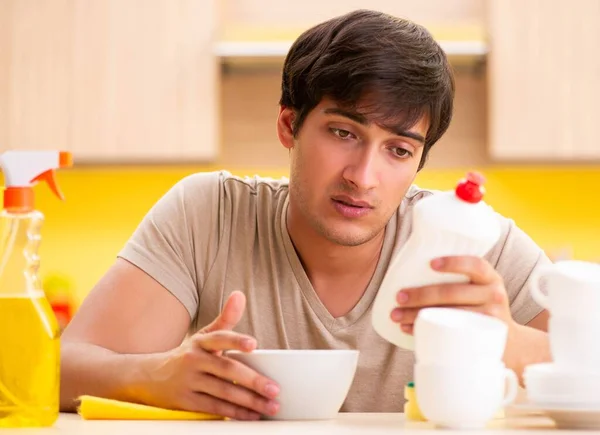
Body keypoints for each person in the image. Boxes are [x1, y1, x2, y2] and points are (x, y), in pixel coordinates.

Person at [60, 9, 551, 421]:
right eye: (343, 133)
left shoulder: (468, 242)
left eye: (398, 151)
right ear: (289, 124)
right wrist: (155, 376)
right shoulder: (208, 214)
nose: (363, 176)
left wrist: (504, 340)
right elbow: (55, 370)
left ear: (419, 163)